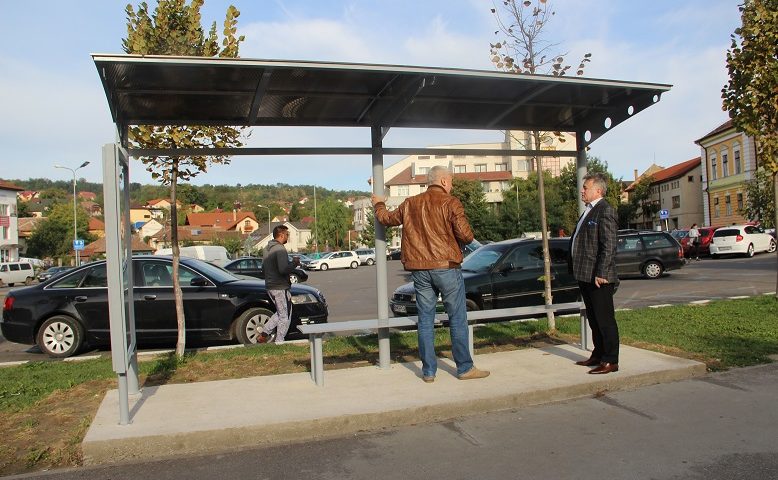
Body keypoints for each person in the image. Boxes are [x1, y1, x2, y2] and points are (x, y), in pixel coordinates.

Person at [372, 165, 490, 383]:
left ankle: (428, 372)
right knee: (457, 318)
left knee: (425, 320)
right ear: (444, 181)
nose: (451, 185)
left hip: (419, 269)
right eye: (451, 181)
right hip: (446, 267)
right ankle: (464, 368)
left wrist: (379, 203)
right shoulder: (450, 202)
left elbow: (386, 219)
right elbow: (465, 235)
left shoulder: (410, 203)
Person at [568, 172, 620, 374]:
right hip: (585, 274)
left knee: (605, 320)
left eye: (585, 188)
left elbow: (609, 245)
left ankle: (611, 360)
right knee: (594, 318)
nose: (582, 191)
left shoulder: (605, 210)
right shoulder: (589, 211)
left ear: (598, 190)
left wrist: (602, 272)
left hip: (599, 277)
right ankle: (598, 354)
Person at [258, 225, 299, 345]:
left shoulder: (266, 249)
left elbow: (263, 268)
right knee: (284, 316)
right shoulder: (280, 249)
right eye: (287, 234)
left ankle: (264, 334)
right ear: (281, 235)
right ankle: (280, 342)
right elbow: (283, 269)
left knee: (281, 313)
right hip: (280, 287)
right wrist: (294, 264)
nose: (288, 237)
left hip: (270, 286)